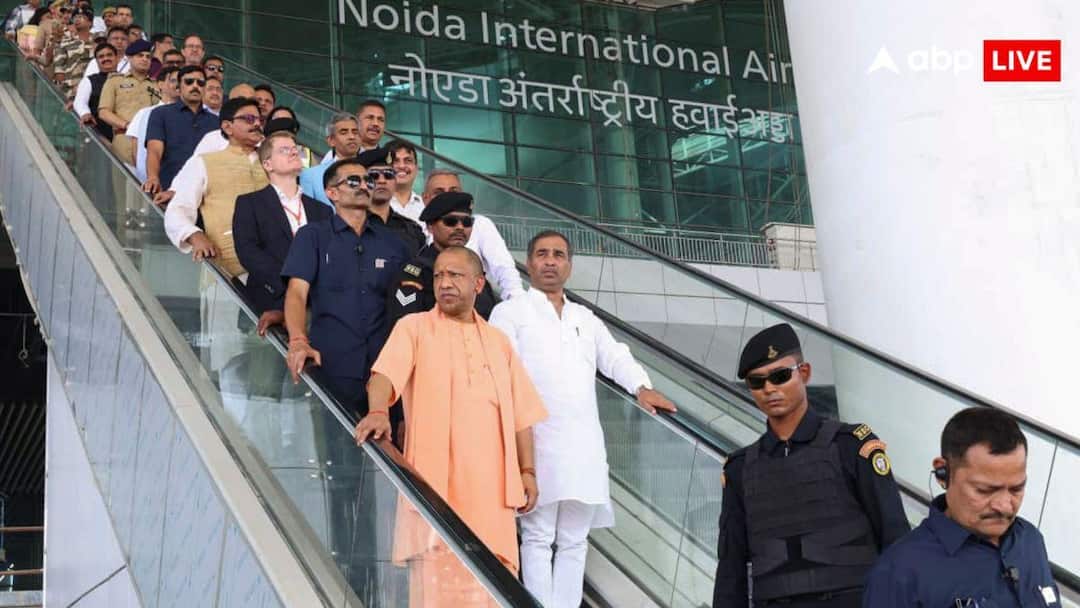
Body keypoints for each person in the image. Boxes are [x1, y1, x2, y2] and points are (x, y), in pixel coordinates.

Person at [488, 230, 676, 608]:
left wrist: (641, 387)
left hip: (583, 446)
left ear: (569, 266)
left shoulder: (584, 317)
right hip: (534, 443)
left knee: (575, 541)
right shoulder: (510, 312)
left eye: (559, 254)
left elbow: (614, 355)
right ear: (529, 263)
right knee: (537, 537)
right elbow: (498, 371)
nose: (550, 261)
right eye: (542, 254)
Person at [354, 245, 548, 605]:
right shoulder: (413, 327)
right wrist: (378, 411)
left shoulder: (499, 342)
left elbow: (522, 416)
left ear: (478, 284)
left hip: (493, 498)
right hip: (435, 492)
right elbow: (383, 376)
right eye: (439, 275)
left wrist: (528, 471)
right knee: (435, 591)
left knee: (492, 589)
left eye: (455, 275)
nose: (444, 283)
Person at [712, 323, 911, 608]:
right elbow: (731, 571)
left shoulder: (851, 447)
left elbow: (896, 541)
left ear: (804, 373)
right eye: (757, 382)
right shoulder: (739, 469)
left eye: (780, 376)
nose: (769, 389)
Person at [862, 408, 1058, 608]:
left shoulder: (1030, 540)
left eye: (1017, 489)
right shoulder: (898, 574)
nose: (1005, 506)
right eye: (985, 490)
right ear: (943, 473)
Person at [280, 157, 410, 414]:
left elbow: (406, 306)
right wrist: (298, 340)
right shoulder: (313, 236)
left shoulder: (394, 244)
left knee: (388, 437)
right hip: (332, 364)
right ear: (332, 193)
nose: (363, 186)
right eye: (353, 181)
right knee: (334, 438)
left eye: (368, 181)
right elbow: (296, 293)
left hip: (386, 367)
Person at [233, 130, 331, 335]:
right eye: (284, 150)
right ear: (267, 164)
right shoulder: (249, 203)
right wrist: (291, 291)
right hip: (269, 303)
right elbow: (248, 253)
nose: (294, 152)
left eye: (296, 149)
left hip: (318, 309)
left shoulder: (321, 209)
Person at [163, 96, 267, 279]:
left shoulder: (272, 163)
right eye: (249, 119)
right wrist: (194, 235)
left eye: (260, 119)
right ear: (227, 127)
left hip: (273, 268)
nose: (257, 124)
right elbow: (178, 208)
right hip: (226, 271)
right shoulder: (205, 162)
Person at [386, 191, 497, 328]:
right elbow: (406, 327)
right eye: (450, 221)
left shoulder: (476, 271)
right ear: (430, 227)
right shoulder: (416, 273)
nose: (460, 227)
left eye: (467, 222)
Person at [421, 169, 525, 300]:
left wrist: (517, 302)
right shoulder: (413, 228)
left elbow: (504, 269)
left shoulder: (480, 224)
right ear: (425, 198)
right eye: (439, 193)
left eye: (454, 191)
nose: (448, 197)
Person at [143, 64, 220, 192]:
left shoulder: (216, 121)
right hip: (169, 188)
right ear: (179, 87)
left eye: (200, 83)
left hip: (207, 191)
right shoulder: (161, 114)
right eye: (189, 82)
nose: (195, 86)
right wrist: (152, 177)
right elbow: (154, 150)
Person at [96, 37, 154, 167]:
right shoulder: (115, 81)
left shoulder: (156, 86)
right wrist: (128, 125)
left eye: (148, 57)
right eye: (140, 55)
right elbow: (104, 112)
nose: (145, 59)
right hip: (124, 138)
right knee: (123, 178)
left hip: (150, 142)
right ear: (129, 58)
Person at [357, 147, 425, 254]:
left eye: (388, 175)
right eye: (374, 175)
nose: (382, 180)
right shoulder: (349, 225)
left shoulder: (411, 230)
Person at [127, 65, 178, 182]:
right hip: (149, 180)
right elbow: (136, 150)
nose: (178, 84)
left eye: (181, 81)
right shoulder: (144, 113)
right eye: (173, 80)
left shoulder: (190, 115)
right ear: (160, 84)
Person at [299, 112, 361, 205]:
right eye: (344, 133)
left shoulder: (372, 171)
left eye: (355, 132)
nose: (352, 137)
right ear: (331, 141)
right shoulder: (311, 176)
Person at [189, 82, 256, 157]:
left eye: (252, 101)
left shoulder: (261, 140)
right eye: (242, 101)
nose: (249, 106)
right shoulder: (212, 139)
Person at [318, 99, 385, 164]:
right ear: (357, 120)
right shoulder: (333, 155)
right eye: (370, 118)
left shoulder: (386, 159)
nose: (376, 123)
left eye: (381, 119)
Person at [73, 41, 116, 140]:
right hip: (98, 135)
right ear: (96, 61)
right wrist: (85, 113)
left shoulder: (125, 79)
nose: (106, 58)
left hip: (123, 134)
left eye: (109, 55)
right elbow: (79, 101)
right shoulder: (89, 80)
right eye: (101, 57)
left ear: (116, 58)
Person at [50, 6, 94, 99]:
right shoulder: (65, 42)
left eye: (82, 17)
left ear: (90, 23)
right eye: (75, 17)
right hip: (71, 90)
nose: (77, 19)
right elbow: (59, 71)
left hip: (93, 88)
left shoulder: (98, 41)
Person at [386, 139, 424, 223]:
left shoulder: (425, 204)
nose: (402, 166)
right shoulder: (374, 203)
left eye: (408, 161)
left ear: (416, 168)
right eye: (395, 161)